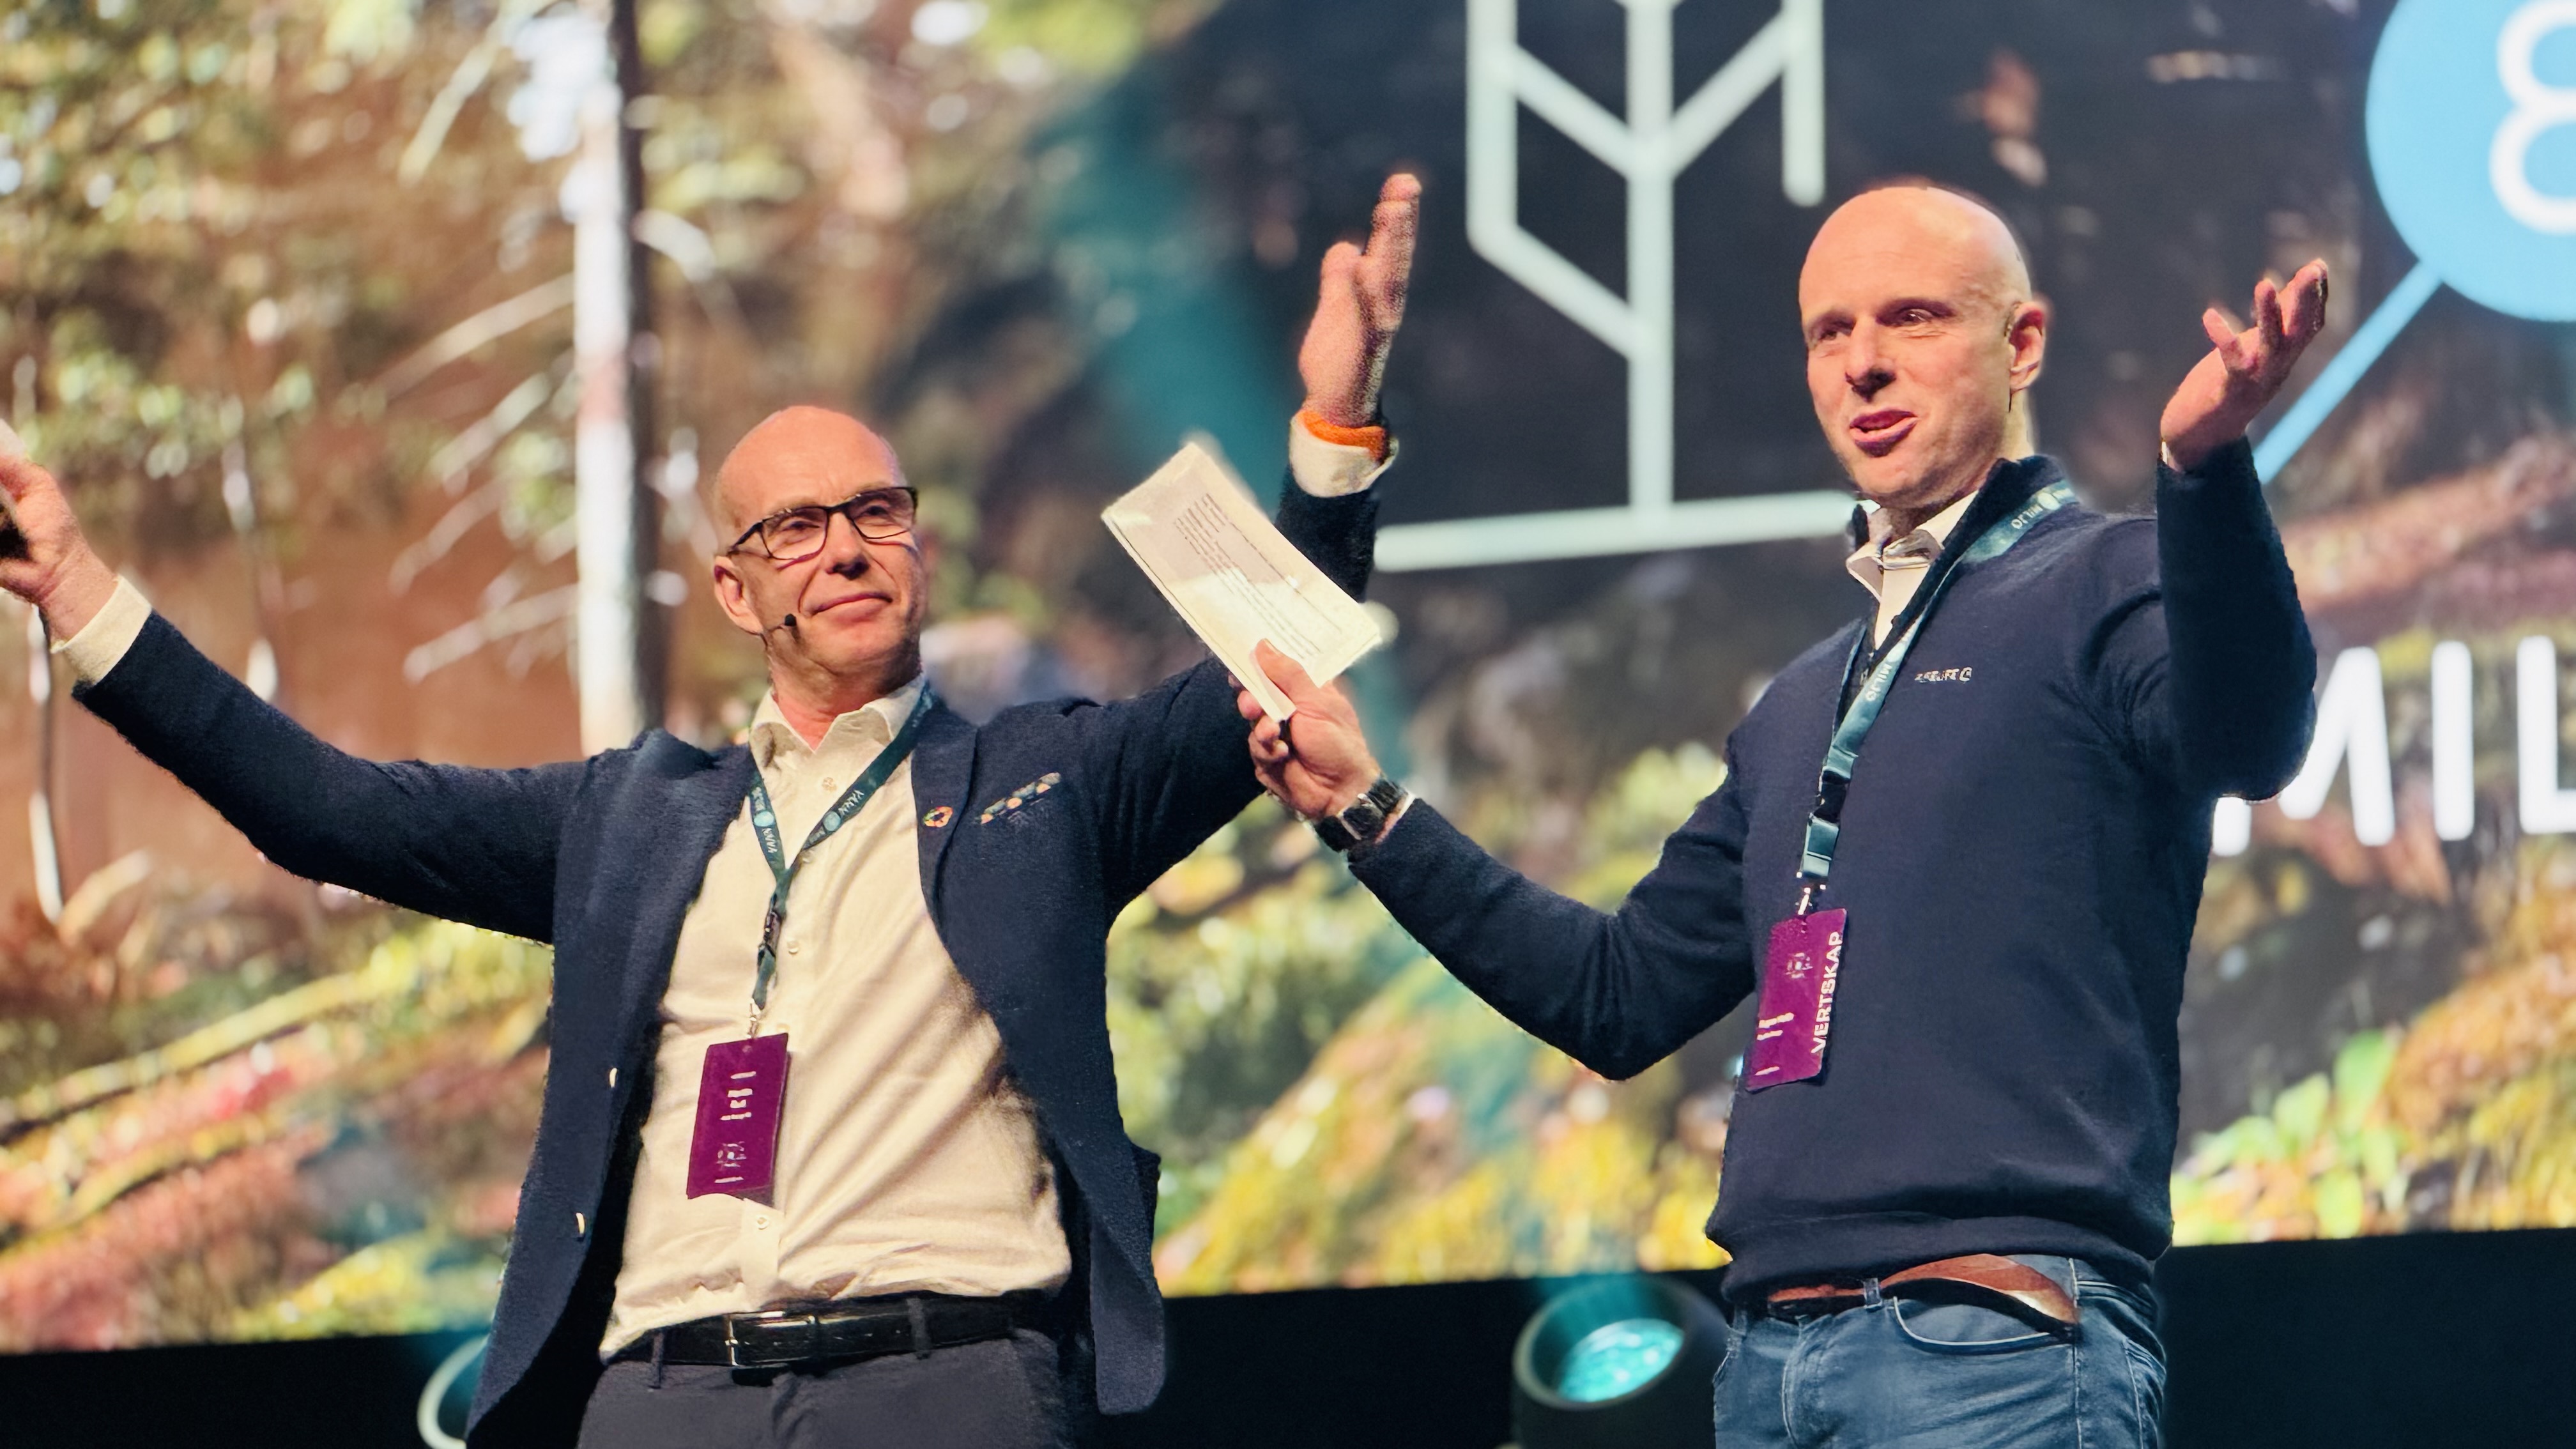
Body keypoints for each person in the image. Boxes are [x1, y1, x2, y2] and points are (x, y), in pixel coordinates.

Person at [0, 178, 1422, 1448]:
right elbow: (328, 813)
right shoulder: (630, 820)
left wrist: (1333, 432)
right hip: (668, 1399)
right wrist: (76, 591)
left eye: (876, 512)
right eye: (797, 526)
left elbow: (1272, 659)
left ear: (918, 550)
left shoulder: (1046, 783)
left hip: (948, 1387)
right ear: (737, 593)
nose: (847, 548)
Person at [1238, 182, 2324, 1446]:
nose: (1864, 363)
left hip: (1997, 1350)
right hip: (1770, 1367)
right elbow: (1617, 997)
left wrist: (2203, 472)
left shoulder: (2109, 578)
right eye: (1829, 331)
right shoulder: (1805, 701)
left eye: (1912, 318)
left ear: (2021, 343)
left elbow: (2251, 742)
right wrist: (1366, 808)